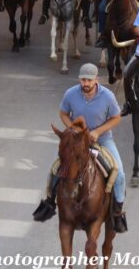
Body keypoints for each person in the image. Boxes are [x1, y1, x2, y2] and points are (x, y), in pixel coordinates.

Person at [33, 63, 128, 233]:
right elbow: (63, 113)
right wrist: (72, 131)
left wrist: (98, 132)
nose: (85, 83)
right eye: (83, 79)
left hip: (103, 140)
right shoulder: (71, 94)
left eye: (89, 80)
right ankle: (49, 202)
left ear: (96, 79)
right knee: (55, 169)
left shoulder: (108, 96)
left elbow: (116, 118)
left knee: (118, 173)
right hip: (78, 142)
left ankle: (118, 213)